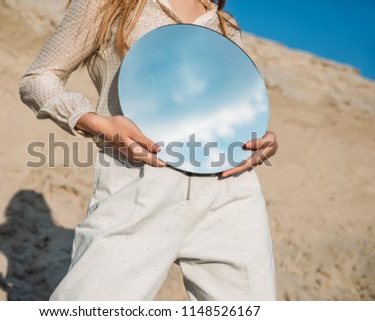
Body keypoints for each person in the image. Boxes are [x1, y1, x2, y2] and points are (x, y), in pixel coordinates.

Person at [19, 0, 279, 300]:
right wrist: (96, 123)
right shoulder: (109, 4)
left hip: (230, 196)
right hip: (139, 189)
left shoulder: (225, 25)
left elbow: (227, 108)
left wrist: (261, 136)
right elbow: (39, 78)